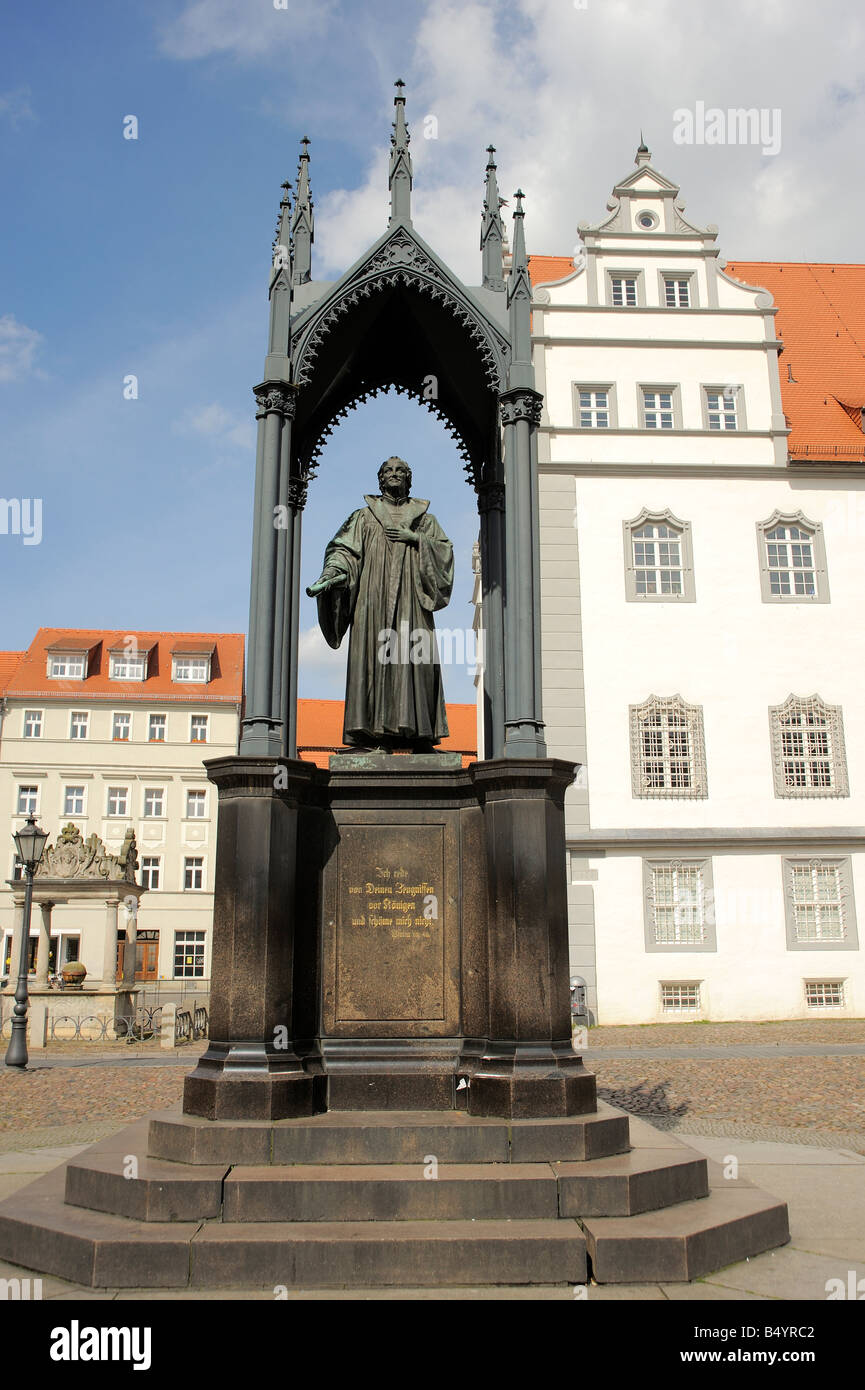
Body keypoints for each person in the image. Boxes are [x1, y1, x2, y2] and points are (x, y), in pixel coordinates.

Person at [306, 456, 454, 750]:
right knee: (371, 659)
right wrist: (332, 574)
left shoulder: (426, 519)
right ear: (380, 479)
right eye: (388, 471)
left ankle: (419, 734)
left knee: (414, 659)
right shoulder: (363, 517)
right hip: (371, 602)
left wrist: (415, 538)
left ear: (409, 478)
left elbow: (444, 555)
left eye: (401, 471)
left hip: (413, 602)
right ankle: (371, 734)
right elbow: (343, 551)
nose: (394, 474)